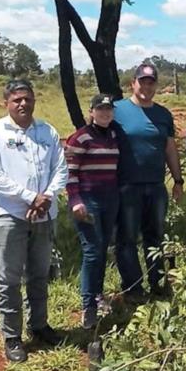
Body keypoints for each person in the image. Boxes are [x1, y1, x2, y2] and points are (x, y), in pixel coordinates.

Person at [0, 79, 68, 362]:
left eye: (27, 98)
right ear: (6, 102)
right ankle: (12, 336)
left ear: (34, 100)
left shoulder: (47, 131)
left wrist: (47, 196)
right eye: (17, 99)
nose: (23, 104)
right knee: (9, 278)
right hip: (10, 216)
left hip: (44, 215)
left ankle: (39, 325)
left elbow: (61, 169)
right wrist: (31, 197)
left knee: (40, 275)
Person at [114, 64, 183, 298]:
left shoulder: (163, 114)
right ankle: (133, 288)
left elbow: (170, 148)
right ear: (133, 83)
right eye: (142, 81)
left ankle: (158, 282)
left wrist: (178, 179)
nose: (146, 86)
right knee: (127, 238)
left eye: (151, 82)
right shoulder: (117, 110)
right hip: (126, 186)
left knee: (155, 236)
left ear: (155, 85)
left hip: (155, 185)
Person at [65, 94, 120, 330]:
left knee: (103, 248)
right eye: (100, 109)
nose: (105, 113)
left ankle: (98, 296)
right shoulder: (80, 138)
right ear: (91, 111)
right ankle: (88, 306)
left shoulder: (115, 136)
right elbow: (70, 173)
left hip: (110, 199)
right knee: (92, 252)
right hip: (88, 200)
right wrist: (76, 201)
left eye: (108, 109)